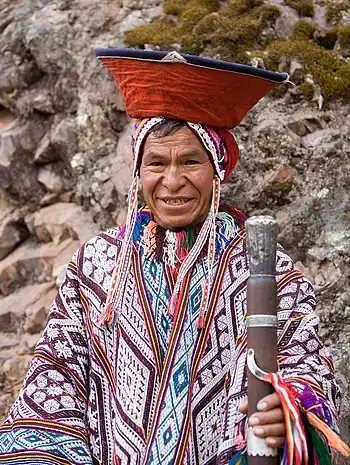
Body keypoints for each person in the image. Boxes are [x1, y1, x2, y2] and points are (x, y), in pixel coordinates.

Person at [0, 49, 346, 465]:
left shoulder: (268, 270)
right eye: (156, 163)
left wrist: (285, 408)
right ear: (139, 171)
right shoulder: (97, 265)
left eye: (190, 161)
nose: (172, 181)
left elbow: (301, 359)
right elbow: (56, 374)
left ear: (218, 167)